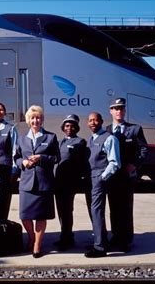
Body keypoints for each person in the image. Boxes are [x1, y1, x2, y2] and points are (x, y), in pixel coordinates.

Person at [14, 105, 60, 258]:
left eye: (38, 117)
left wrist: (42, 158)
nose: (35, 120)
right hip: (26, 182)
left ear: (42, 119)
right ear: (28, 120)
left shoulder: (50, 137)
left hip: (43, 182)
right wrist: (23, 163)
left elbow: (56, 158)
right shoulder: (22, 139)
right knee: (24, 216)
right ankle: (32, 237)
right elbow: (16, 157)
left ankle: (37, 245)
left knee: (41, 216)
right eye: (32, 118)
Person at [106, 97, 148, 252]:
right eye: (116, 109)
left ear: (125, 111)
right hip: (112, 176)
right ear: (111, 111)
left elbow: (143, 149)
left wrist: (134, 165)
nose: (119, 111)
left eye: (121, 108)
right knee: (113, 207)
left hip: (126, 176)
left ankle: (126, 239)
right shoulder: (107, 130)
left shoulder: (135, 129)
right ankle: (115, 236)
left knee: (125, 208)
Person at [84, 112, 120, 258]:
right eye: (90, 120)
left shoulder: (109, 138)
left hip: (100, 178)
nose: (93, 122)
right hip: (90, 178)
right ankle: (101, 240)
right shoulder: (91, 139)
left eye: (96, 120)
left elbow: (114, 163)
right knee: (94, 211)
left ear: (101, 122)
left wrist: (102, 177)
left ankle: (100, 248)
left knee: (97, 211)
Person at [54, 114, 90, 251]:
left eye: (72, 125)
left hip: (70, 182)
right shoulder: (60, 142)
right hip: (58, 181)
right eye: (67, 125)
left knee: (67, 210)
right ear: (63, 128)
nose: (69, 128)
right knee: (61, 210)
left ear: (77, 128)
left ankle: (67, 238)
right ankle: (65, 235)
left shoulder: (80, 142)